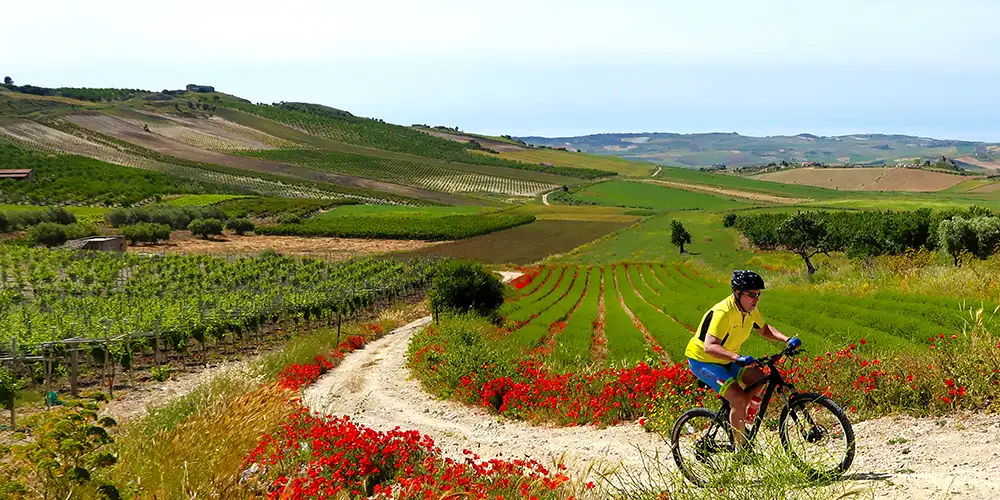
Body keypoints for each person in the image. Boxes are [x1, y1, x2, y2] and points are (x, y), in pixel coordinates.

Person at [684, 269, 801, 450]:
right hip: (703, 360)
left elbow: (763, 329)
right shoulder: (723, 313)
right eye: (751, 295)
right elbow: (710, 346)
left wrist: (786, 339)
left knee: (759, 378)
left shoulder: (749, 310)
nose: (756, 299)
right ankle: (741, 449)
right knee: (738, 399)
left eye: (758, 295)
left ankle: (739, 419)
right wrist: (737, 357)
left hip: (727, 358)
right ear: (737, 293)